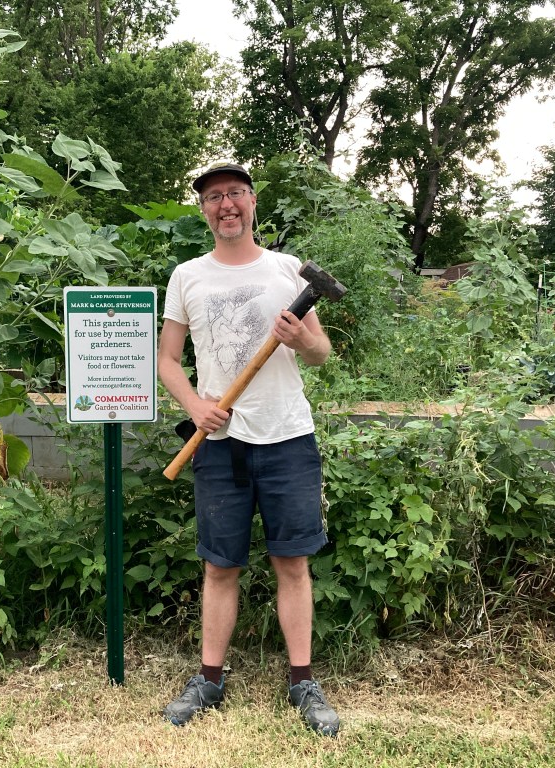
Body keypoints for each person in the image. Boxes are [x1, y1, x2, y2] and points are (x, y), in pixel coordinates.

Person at [157, 161, 340, 736]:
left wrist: (302, 335)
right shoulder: (187, 275)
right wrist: (194, 407)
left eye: (235, 192)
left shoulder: (288, 271)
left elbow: (322, 356)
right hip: (220, 442)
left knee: (292, 562)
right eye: (214, 197)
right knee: (219, 566)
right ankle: (209, 679)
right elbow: (167, 361)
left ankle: (302, 682)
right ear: (205, 210)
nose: (225, 204)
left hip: (287, 437)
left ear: (253, 201)